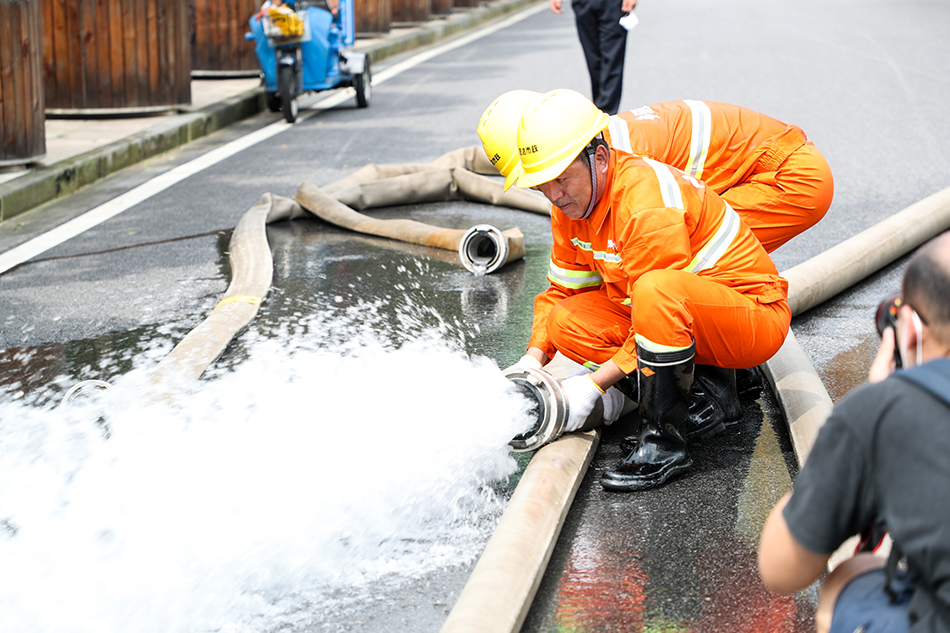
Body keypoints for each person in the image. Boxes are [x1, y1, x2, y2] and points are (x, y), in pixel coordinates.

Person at [478, 91, 832, 436]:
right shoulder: (583, 161)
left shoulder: (632, 173)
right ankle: (709, 368)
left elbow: (659, 285)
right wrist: (533, 359)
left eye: (554, 178)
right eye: (537, 183)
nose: (550, 193)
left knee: (665, 285)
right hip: (748, 177)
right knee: (617, 295)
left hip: (788, 175)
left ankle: (714, 391)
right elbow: (569, 290)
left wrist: (594, 386)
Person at [758, 231, 950, 633]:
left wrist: (877, 409)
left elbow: (782, 568)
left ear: (910, 330)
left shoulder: (889, 412)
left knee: (851, 577)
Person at [550, 0, 636, 115]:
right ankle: (600, 110)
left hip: (613, 3)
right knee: (593, 60)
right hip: (582, 3)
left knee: (612, 57)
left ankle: (607, 112)